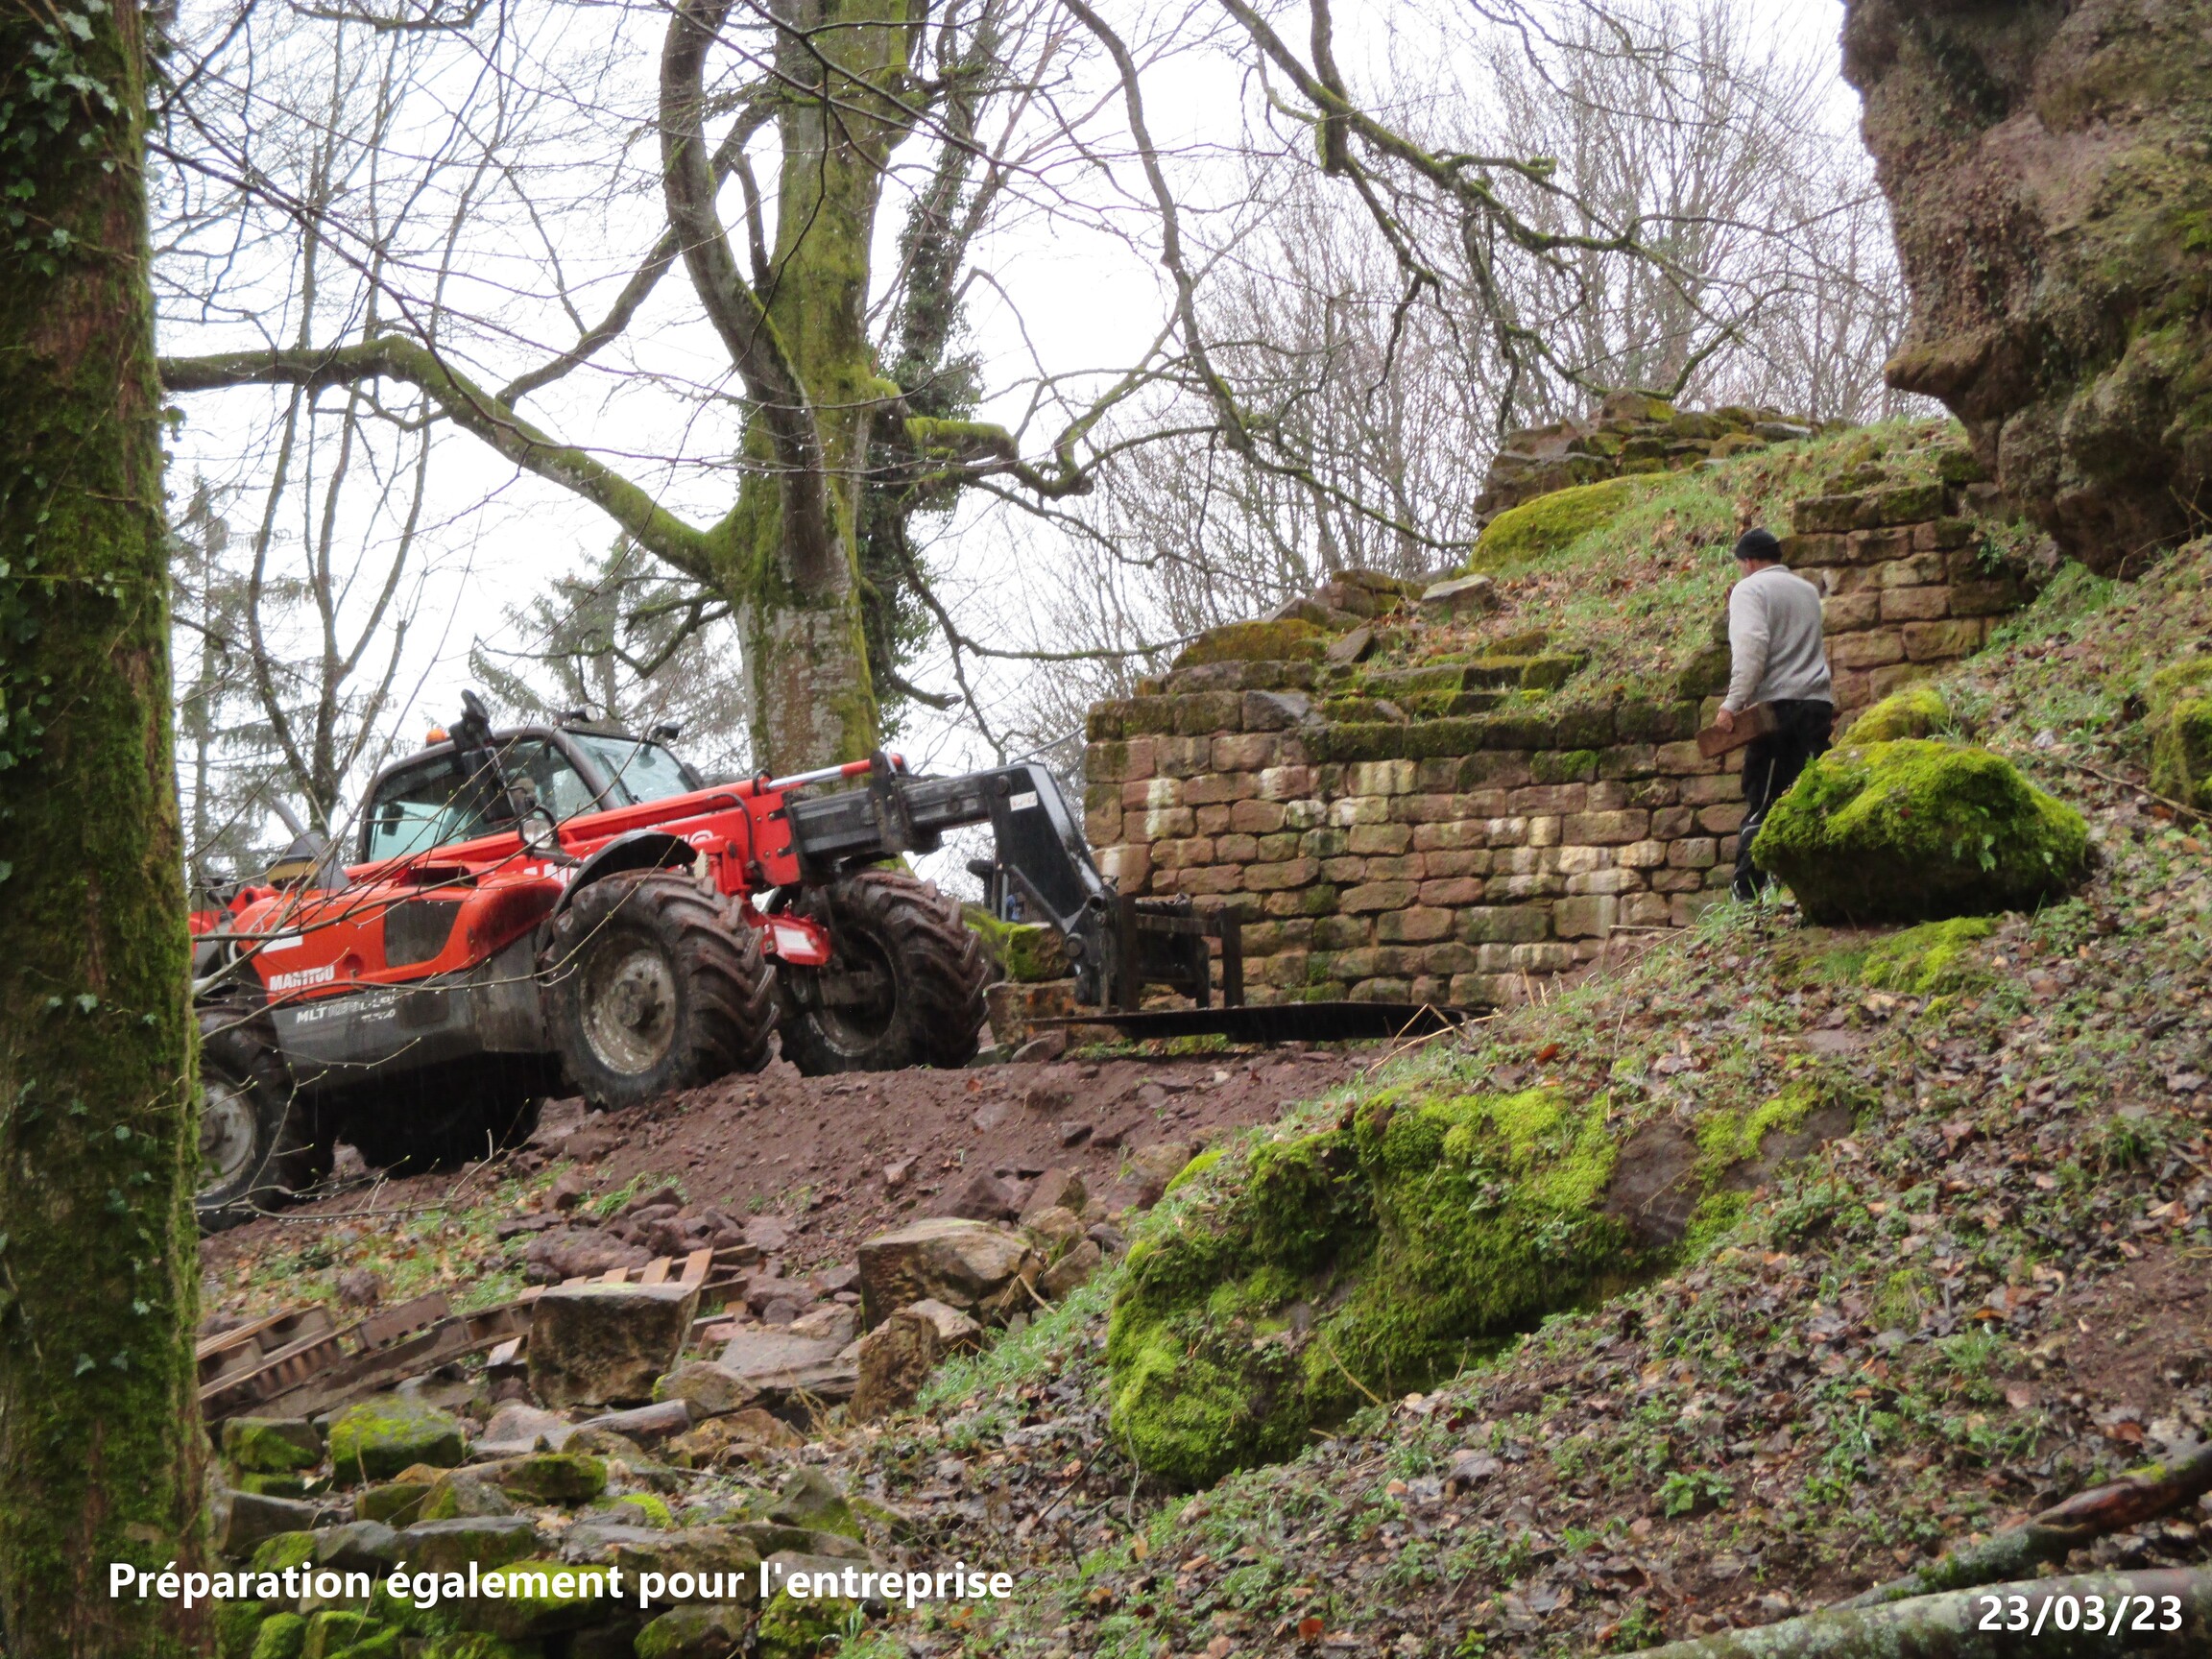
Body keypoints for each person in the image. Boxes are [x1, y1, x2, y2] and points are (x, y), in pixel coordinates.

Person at [1712, 526, 1835, 902]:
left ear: (1749, 561)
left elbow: (1752, 648)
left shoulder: (1749, 590)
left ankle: (1746, 897)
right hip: (1818, 705)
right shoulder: (1808, 591)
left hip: (1778, 712)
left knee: (1763, 800)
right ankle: (1802, 892)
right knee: (1807, 799)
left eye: (1740, 565)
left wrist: (1732, 704)